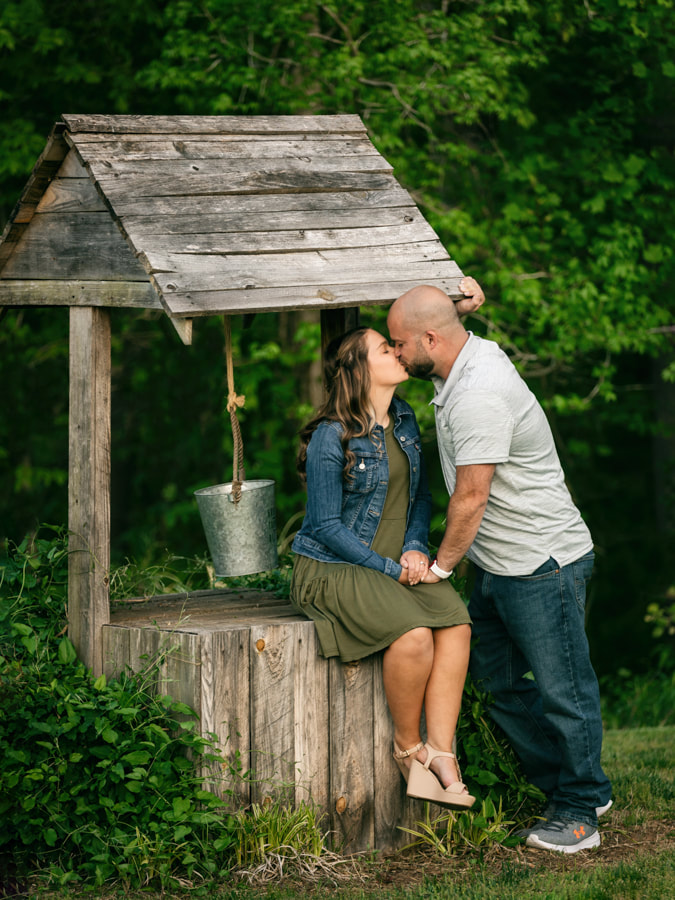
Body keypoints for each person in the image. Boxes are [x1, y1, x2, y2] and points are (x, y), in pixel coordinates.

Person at [387, 282, 613, 854]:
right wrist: (459, 304)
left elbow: (470, 498)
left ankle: (580, 809)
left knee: (565, 690)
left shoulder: (479, 392)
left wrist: (440, 568)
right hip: (497, 564)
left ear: (431, 339)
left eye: (398, 343)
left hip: (541, 563)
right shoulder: (462, 358)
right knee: (499, 685)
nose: (394, 353)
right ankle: (571, 784)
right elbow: (439, 320)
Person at [290, 324, 475, 809]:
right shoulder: (332, 436)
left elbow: (420, 496)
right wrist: (390, 569)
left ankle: (441, 752)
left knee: (456, 624)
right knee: (414, 635)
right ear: (357, 369)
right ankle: (406, 746)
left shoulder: (406, 419)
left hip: (396, 561)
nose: (397, 352)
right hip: (334, 567)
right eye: (384, 348)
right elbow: (326, 526)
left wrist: (416, 547)